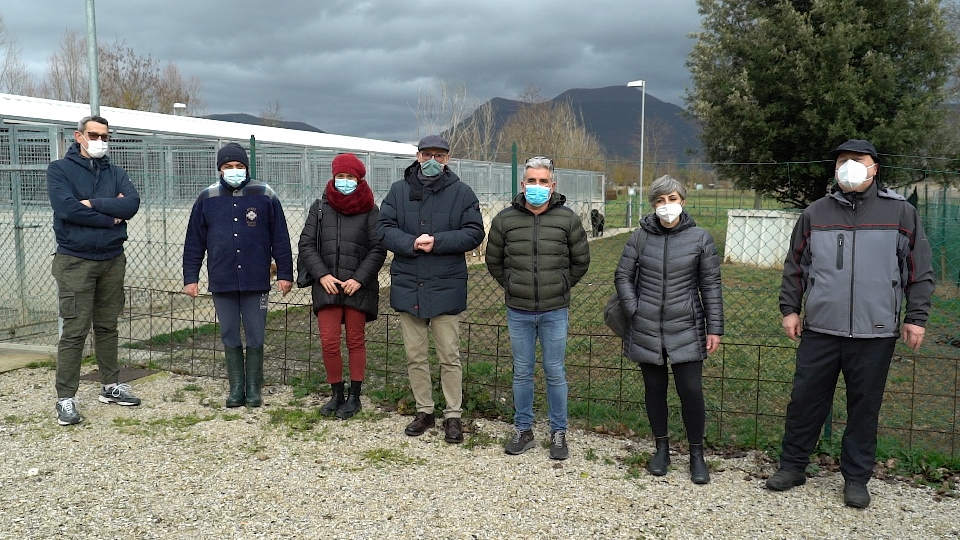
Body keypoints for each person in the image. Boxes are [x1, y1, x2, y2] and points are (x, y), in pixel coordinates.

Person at [766, 139, 934, 508]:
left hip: (876, 331)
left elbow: (918, 270)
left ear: (874, 168)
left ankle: (856, 478)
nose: (849, 166)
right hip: (821, 328)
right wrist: (790, 309)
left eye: (857, 160)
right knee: (805, 401)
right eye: (842, 161)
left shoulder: (901, 213)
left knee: (864, 406)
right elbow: (796, 266)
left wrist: (915, 318)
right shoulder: (815, 213)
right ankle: (793, 466)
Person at [614, 175, 723, 484]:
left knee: (691, 391)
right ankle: (661, 448)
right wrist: (634, 307)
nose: (666, 206)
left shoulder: (700, 238)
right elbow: (622, 275)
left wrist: (714, 328)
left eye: (672, 199)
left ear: (683, 202)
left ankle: (697, 454)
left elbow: (710, 285)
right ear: (653, 205)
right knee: (654, 389)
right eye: (660, 201)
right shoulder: (639, 238)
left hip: (687, 326)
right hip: (647, 326)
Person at [377, 135, 485, 444]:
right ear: (418, 156)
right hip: (409, 284)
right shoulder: (398, 191)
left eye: (439, 155)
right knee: (415, 355)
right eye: (427, 154)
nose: (432, 160)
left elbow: (474, 232)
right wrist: (410, 243)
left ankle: (453, 415)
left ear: (448, 159)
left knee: (449, 356)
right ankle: (424, 410)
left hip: (446, 285)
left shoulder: (462, 193)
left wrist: (437, 241)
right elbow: (383, 229)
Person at [485, 156, 590, 460]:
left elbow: (580, 260)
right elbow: (494, 260)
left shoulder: (567, 219)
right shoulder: (505, 220)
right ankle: (523, 428)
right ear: (523, 184)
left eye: (543, 181)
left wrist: (560, 283)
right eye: (532, 181)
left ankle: (558, 432)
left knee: (555, 371)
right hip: (518, 310)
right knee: (522, 372)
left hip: (555, 310)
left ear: (552, 185)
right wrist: (513, 284)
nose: (537, 186)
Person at [46, 115, 142, 426]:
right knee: (74, 330)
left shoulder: (115, 171)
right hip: (76, 260)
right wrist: (108, 215)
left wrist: (92, 203)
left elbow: (131, 204)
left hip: (112, 259)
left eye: (104, 135)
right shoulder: (59, 170)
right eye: (93, 134)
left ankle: (111, 386)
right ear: (79, 136)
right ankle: (66, 398)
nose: (100, 140)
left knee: (107, 326)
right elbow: (66, 208)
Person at [182, 142, 293, 408]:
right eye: (229, 167)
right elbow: (194, 242)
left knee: (256, 333)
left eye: (239, 166)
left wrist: (285, 273)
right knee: (229, 332)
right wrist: (191, 277)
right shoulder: (206, 198)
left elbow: (280, 237)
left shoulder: (264, 194)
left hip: (258, 281)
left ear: (247, 168)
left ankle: (254, 387)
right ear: (220, 169)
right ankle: (236, 388)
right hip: (223, 280)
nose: (234, 171)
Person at [298, 153, 386, 419]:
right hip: (328, 286)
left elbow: (378, 247)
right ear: (333, 177)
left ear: (359, 180)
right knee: (329, 342)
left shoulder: (371, 210)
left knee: (355, 341)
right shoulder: (320, 207)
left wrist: (359, 279)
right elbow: (306, 244)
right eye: (341, 177)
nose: (345, 182)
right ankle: (336, 393)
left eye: (350, 178)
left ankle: (355, 396)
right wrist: (322, 275)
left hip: (357, 287)